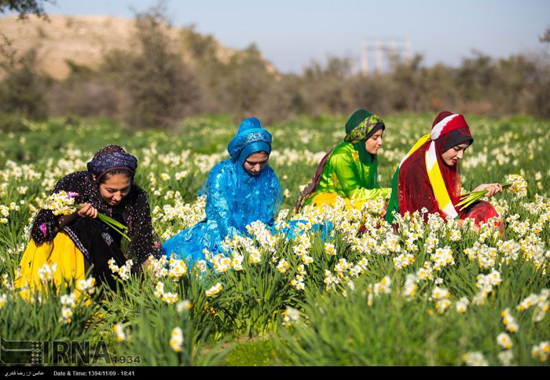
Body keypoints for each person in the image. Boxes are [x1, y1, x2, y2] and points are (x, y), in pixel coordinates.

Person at [15, 145, 161, 296]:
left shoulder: (137, 196)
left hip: (107, 254)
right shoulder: (74, 184)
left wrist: (151, 268)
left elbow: (143, 243)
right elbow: (40, 232)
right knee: (86, 224)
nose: (118, 197)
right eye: (111, 190)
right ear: (95, 178)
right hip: (63, 254)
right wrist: (74, 213)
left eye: (124, 189)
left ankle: (110, 291)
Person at [161, 117, 283, 266]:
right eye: (251, 163)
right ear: (241, 156)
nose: (257, 168)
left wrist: (263, 233)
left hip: (257, 232)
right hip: (221, 232)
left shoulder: (269, 176)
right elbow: (223, 219)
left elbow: (266, 214)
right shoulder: (221, 174)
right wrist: (246, 244)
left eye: (263, 162)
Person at [385, 111, 502, 227]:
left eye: (464, 150)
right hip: (411, 228)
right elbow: (426, 216)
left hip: (435, 219)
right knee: (478, 221)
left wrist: (476, 193)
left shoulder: (443, 158)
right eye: (457, 148)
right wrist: (465, 226)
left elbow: (445, 204)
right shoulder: (417, 167)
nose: (461, 156)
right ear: (443, 142)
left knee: (484, 208)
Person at [295, 109, 391, 212]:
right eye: (375, 138)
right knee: (371, 208)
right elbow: (355, 194)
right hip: (329, 203)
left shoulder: (367, 155)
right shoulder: (342, 157)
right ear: (361, 137)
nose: (380, 142)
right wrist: (391, 192)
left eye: (381, 136)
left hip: (351, 199)